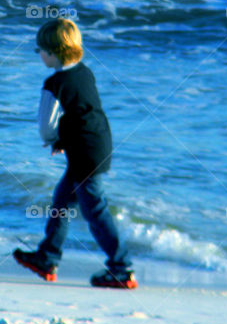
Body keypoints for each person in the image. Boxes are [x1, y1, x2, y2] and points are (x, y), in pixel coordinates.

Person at [13, 18, 137, 289]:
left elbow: (46, 128)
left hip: (85, 153)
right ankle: (47, 256)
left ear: (53, 52)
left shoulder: (54, 83)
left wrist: (56, 140)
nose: (39, 56)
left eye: (40, 51)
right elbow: (83, 114)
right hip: (99, 143)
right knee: (62, 201)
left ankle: (122, 267)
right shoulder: (85, 72)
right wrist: (66, 139)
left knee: (95, 209)